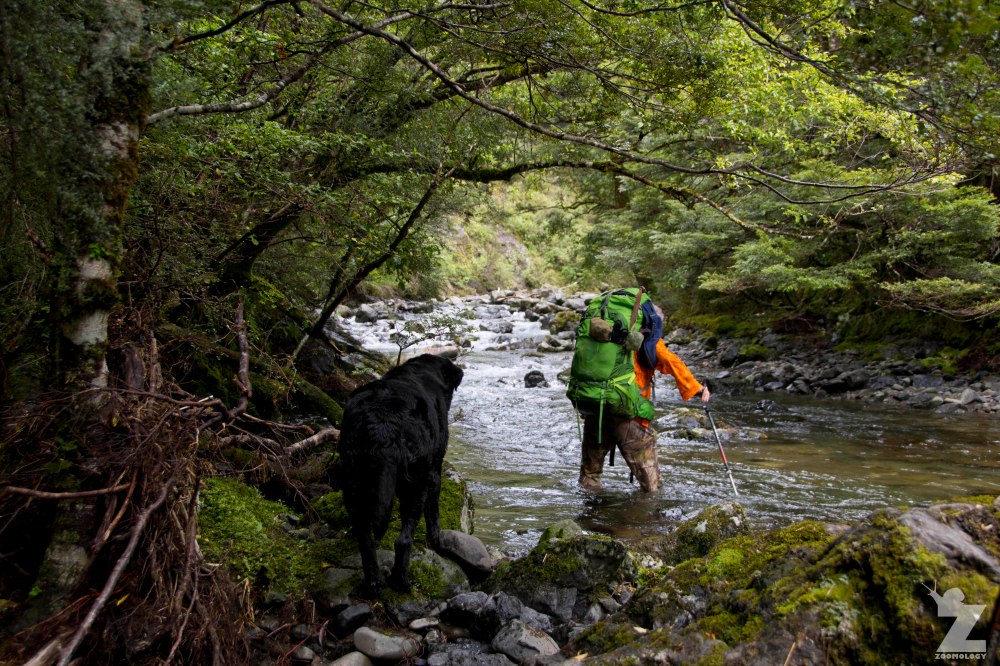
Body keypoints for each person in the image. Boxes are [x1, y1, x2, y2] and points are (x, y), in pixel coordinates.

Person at [578, 304, 710, 493]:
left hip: (596, 411)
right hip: (630, 416)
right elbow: (670, 361)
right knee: (651, 485)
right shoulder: (647, 338)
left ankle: (589, 517)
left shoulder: (599, 340)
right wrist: (696, 388)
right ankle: (647, 518)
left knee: (589, 476)